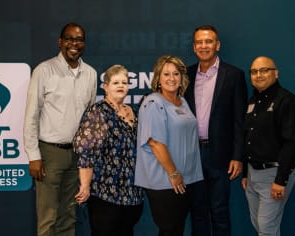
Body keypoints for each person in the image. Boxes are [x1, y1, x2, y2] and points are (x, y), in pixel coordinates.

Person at [23, 22, 97, 236]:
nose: (74, 44)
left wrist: (86, 155)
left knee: (69, 215)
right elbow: (31, 115)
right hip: (49, 154)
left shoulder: (90, 74)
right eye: (70, 39)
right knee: (48, 217)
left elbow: (90, 120)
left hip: (77, 155)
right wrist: (33, 155)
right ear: (61, 42)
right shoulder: (44, 71)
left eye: (79, 39)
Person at [185, 25, 248, 236]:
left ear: (217, 45)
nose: (204, 46)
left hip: (220, 155)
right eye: (199, 42)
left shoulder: (234, 75)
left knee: (219, 211)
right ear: (194, 47)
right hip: (193, 155)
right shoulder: (186, 74)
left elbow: (240, 120)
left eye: (209, 41)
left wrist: (238, 156)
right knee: (197, 211)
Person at [135, 55, 203, 235]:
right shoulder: (153, 102)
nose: (171, 78)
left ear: (182, 78)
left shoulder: (183, 102)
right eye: (166, 74)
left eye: (176, 74)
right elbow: (155, 142)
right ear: (158, 78)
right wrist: (173, 173)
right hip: (165, 179)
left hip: (185, 177)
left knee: (177, 228)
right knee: (170, 228)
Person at [73, 65, 144, 236]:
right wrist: (85, 186)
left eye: (124, 82)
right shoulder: (98, 112)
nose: (121, 86)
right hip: (105, 194)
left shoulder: (133, 112)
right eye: (115, 82)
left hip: (132, 194)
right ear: (105, 87)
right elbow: (85, 151)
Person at [241, 56, 295, 235]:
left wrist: (280, 180)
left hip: (274, 175)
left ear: (276, 73)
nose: (258, 75)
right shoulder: (253, 102)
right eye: (254, 72)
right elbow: (249, 138)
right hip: (252, 174)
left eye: (264, 70)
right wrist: (245, 173)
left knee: (266, 229)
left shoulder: (287, 101)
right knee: (259, 225)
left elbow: (293, 143)